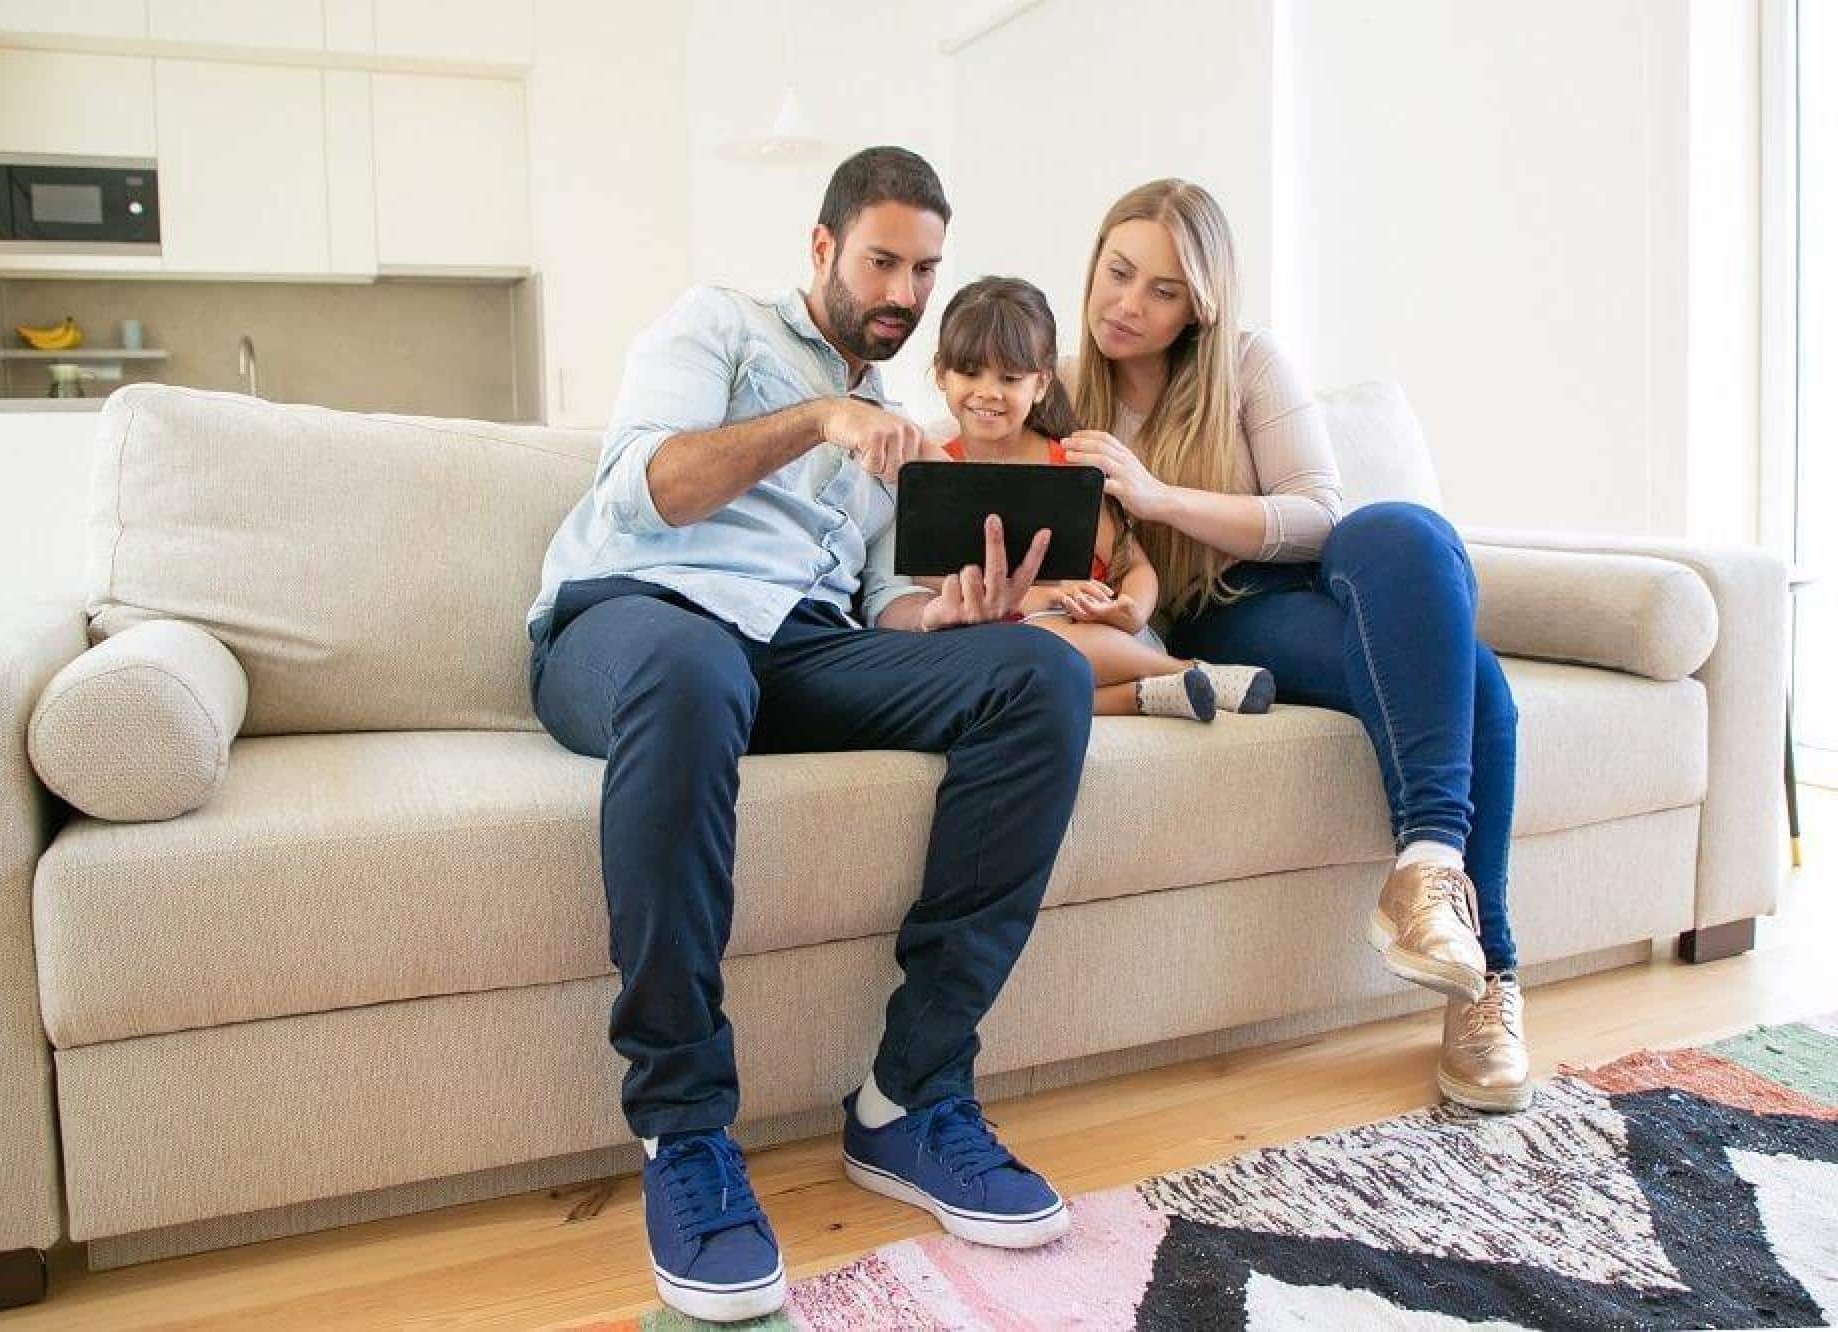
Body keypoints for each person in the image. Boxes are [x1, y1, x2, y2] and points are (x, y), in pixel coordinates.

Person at [526, 147, 1081, 1323]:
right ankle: (682, 1131)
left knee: (1034, 671)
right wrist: (815, 418)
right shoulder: (717, 327)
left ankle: (909, 1098)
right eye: (881, 260)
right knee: (689, 668)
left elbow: (882, 605)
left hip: (795, 650)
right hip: (635, 626)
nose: (901, 290)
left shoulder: (892, 428)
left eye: (923, 270)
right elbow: (648, 490)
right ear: (823, 248)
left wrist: (951, 618)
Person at [1059, 179, 1533, 1115]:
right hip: (1216, 615)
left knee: (1402, 527)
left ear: (1200, 304)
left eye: (1163, 290)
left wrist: (1157, 497)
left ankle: (1427, 870)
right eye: (1120, 273)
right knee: (1474, 681)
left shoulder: (1246, 363)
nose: (1129, 304)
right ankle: (1495, 977)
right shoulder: (1059, 393)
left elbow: (1319, 513)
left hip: (1312, 576)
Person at [927, 275, 1277, 721]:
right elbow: (928, 575)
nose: (988, 392)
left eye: (1010, 377)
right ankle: (1171, 682)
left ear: (1040, 384)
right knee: (1007, 679)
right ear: (941, 374)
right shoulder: (939, 472)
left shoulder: (1069, 465)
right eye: (969, 372)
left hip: (1095, 635)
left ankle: (1177, 674)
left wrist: (1130, 610)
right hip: (999, 642)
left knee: (1050, 646)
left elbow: (1135, 568)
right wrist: (1039, 598)